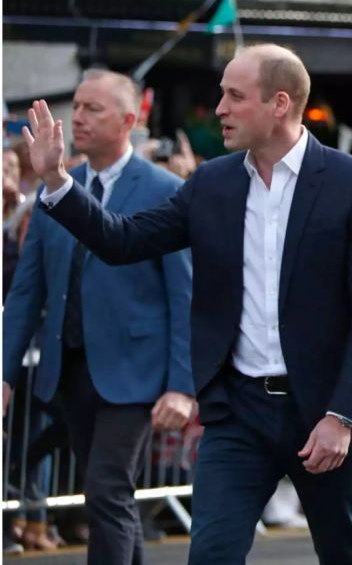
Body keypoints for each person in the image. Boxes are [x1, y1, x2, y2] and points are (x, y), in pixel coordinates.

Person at [21, 43, 352, 564]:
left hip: (324, 412)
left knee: (345, 556)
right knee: (211, 555)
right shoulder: (212, 183)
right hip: (238, 413)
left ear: (280, 104)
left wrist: (343, 416)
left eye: (234, 96)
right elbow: (122, 240)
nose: (218, 108)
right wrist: (58, 181)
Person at [2, 69, 195, 564]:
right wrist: (3, 373)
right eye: (78, 107)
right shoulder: (57, 189)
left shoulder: (164, 189)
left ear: (129, 121)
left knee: (107, 487)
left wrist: (181, 384)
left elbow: (184, 294)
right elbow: (27, 292)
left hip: (136, 371)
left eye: (94, 109)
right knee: (106, 494)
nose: (78, 118)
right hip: (69, 369)